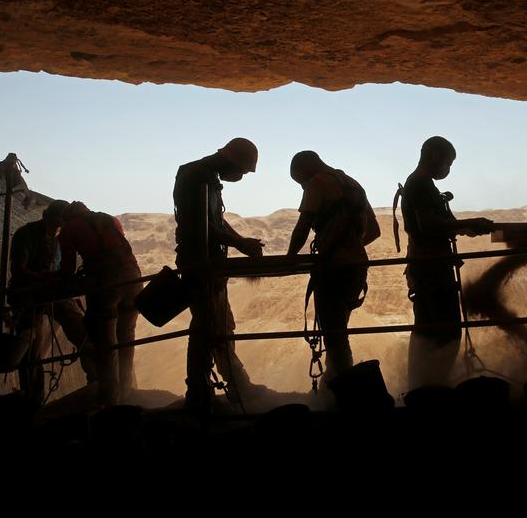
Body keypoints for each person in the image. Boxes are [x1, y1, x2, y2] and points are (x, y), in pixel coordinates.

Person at [173, 137, 265, 410]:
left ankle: (233, 385)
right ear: (231, 162)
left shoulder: (206, 176)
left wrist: (240, 242)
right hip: (199, 264)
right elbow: (197, 223)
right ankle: (201, 392)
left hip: (210, 264)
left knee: (219, 326)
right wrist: (239, 243)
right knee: (207, 327)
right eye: (243, 172)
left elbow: (215, 220)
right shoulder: (195, 175)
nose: (241, 177)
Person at [399, 136, 492, 390]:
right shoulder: (420, 184)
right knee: (448, 330)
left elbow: (433, 224)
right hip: (432, 268)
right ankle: (434, 387)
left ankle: (422, 387)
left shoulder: (421, 184)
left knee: (428, 329)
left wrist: (465, 227)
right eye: (448, 163)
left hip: (427, 265)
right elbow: (429, 225)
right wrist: (466, 224)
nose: (448, 169)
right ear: (434, 156)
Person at [287, 151, 380, 384]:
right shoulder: (353, 184)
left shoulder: (317, 182)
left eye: (300, 182)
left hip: (334, 269)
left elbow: (303, 226)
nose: (302, 188)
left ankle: (343, 391)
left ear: (305, 171)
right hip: (357, 267)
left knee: (334, 335)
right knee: (339, 329)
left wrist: (289, 257)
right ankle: (337, 385)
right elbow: (375, 231)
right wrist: (350, 246)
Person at [9, 199, 95, 403]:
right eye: (56, 222)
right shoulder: (26, 234)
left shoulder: (61, 238)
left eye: (61, 223)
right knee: (31, 349)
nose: (58, 226)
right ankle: (33, 400)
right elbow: (18, 270)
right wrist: (43, 278)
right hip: (28, 296)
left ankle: (96, 382)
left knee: (84, 333)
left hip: (52, 293)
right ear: (46, 217)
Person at [59, 201, 141, 406]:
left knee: (106, 345)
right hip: (133, 280)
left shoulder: (69, 228)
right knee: (127, 338)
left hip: (105, 284)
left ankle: (110, 402)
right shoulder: (110, 220)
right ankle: (127, 393)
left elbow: (67, 271)